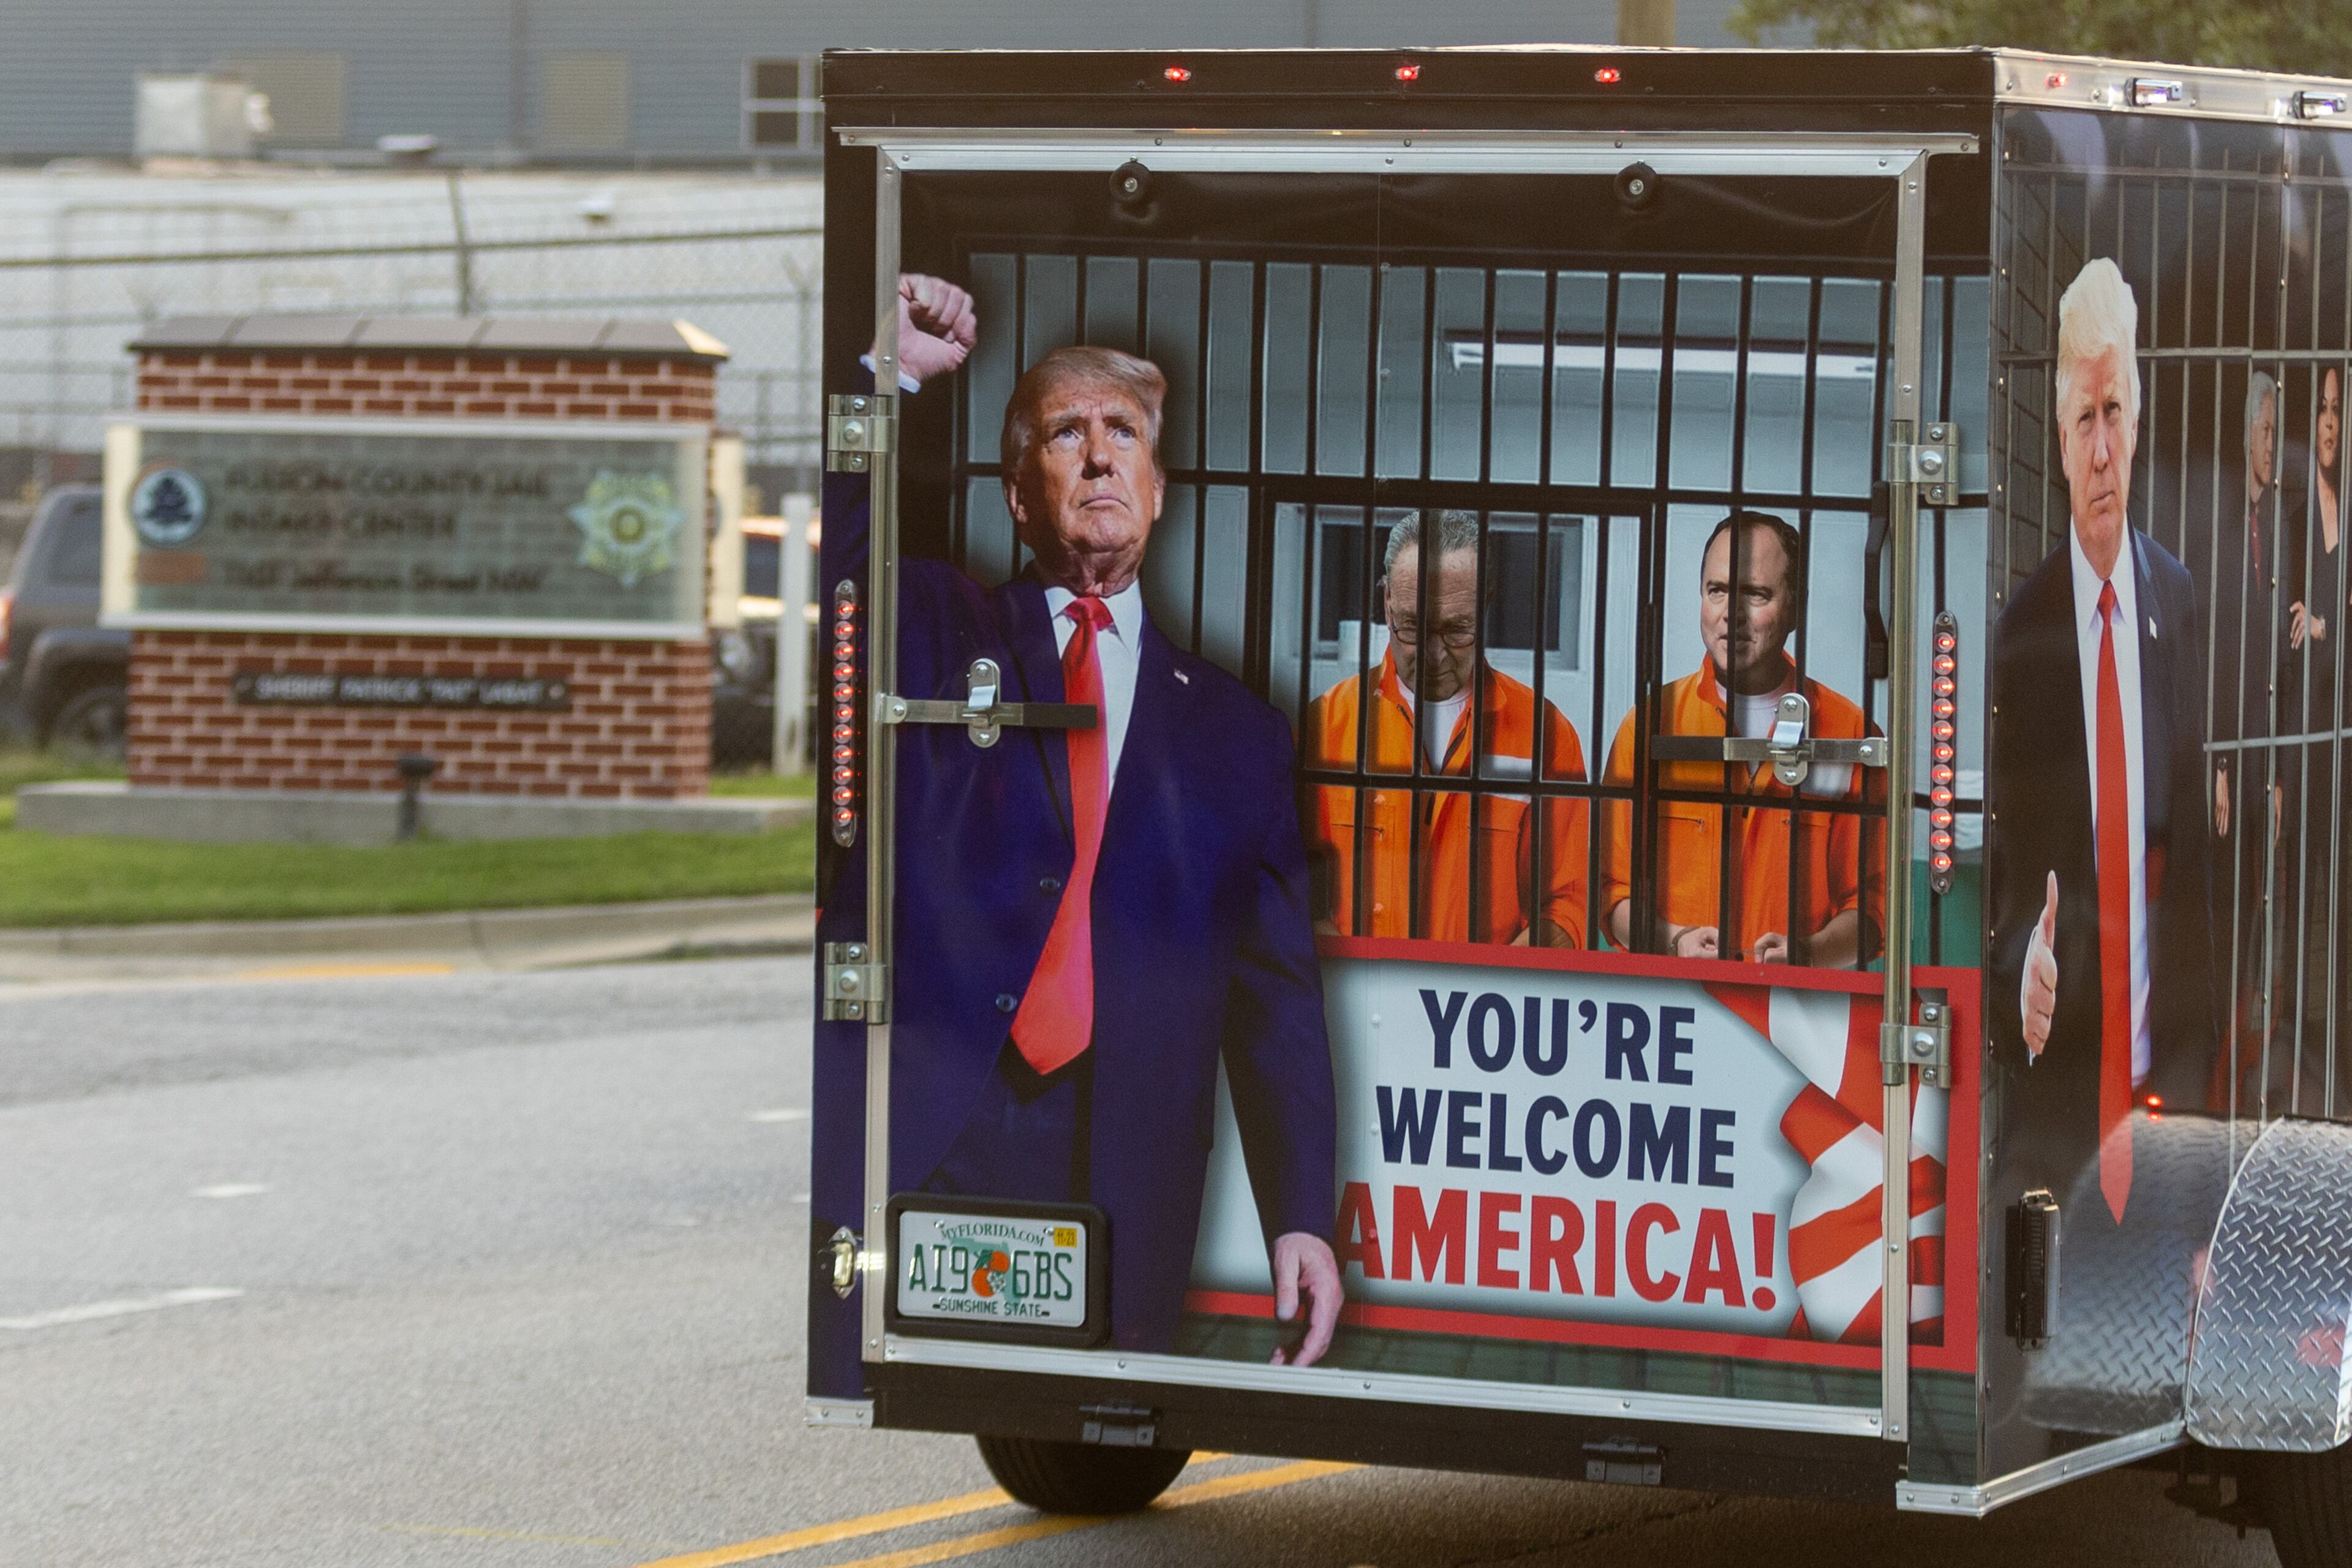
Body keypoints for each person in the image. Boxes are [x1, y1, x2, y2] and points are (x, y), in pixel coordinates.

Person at [810, 275, 1343, 1365]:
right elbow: (854, 561)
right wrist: (891, 374)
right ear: (1018, 492)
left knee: (1109, 1387)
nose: (1099, 456)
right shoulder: (942, 629)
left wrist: (1302, 1214)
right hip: (951, 1128)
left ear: (1157, 489)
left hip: (1130, 1155)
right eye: (1065, 432)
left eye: (1124, 434)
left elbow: (1276, 991)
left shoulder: (1241, 732)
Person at [1987, 257, 2217, 1216]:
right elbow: (2002, 883)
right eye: (2082, 421)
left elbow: (2199, 870)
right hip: (2059, 1093)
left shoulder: (2178, 598)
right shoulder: (2024, 631)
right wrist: (2018, 974)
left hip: (2166, 1092)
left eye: (2114, 412)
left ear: (2140, 414)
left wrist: (2202, 1082)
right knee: (2056, 1334)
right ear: (2060, 431)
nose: (2099, 452)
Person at [1598, 509, 1883, 967]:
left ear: (1795, 606)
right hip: (1677, 1010)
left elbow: (1873, 910)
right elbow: (1612, 894)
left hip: (1793, 1014)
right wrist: (1676, 941)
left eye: (1755, 594)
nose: (1731, 614)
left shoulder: (1850, 733)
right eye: (1717, 591)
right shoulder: (1650, 726)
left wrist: (1808, 953)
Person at [1303, 510, 1589, 946]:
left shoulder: (1546, 736)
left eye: (1457, 631)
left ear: (1486, 604)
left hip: (1483, 1009)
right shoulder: (1325, 728)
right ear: (1386, 603)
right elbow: (1289, 896)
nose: (1435, 655)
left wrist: (1484, 990)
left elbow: (1566, 904)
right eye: (1414, 627)